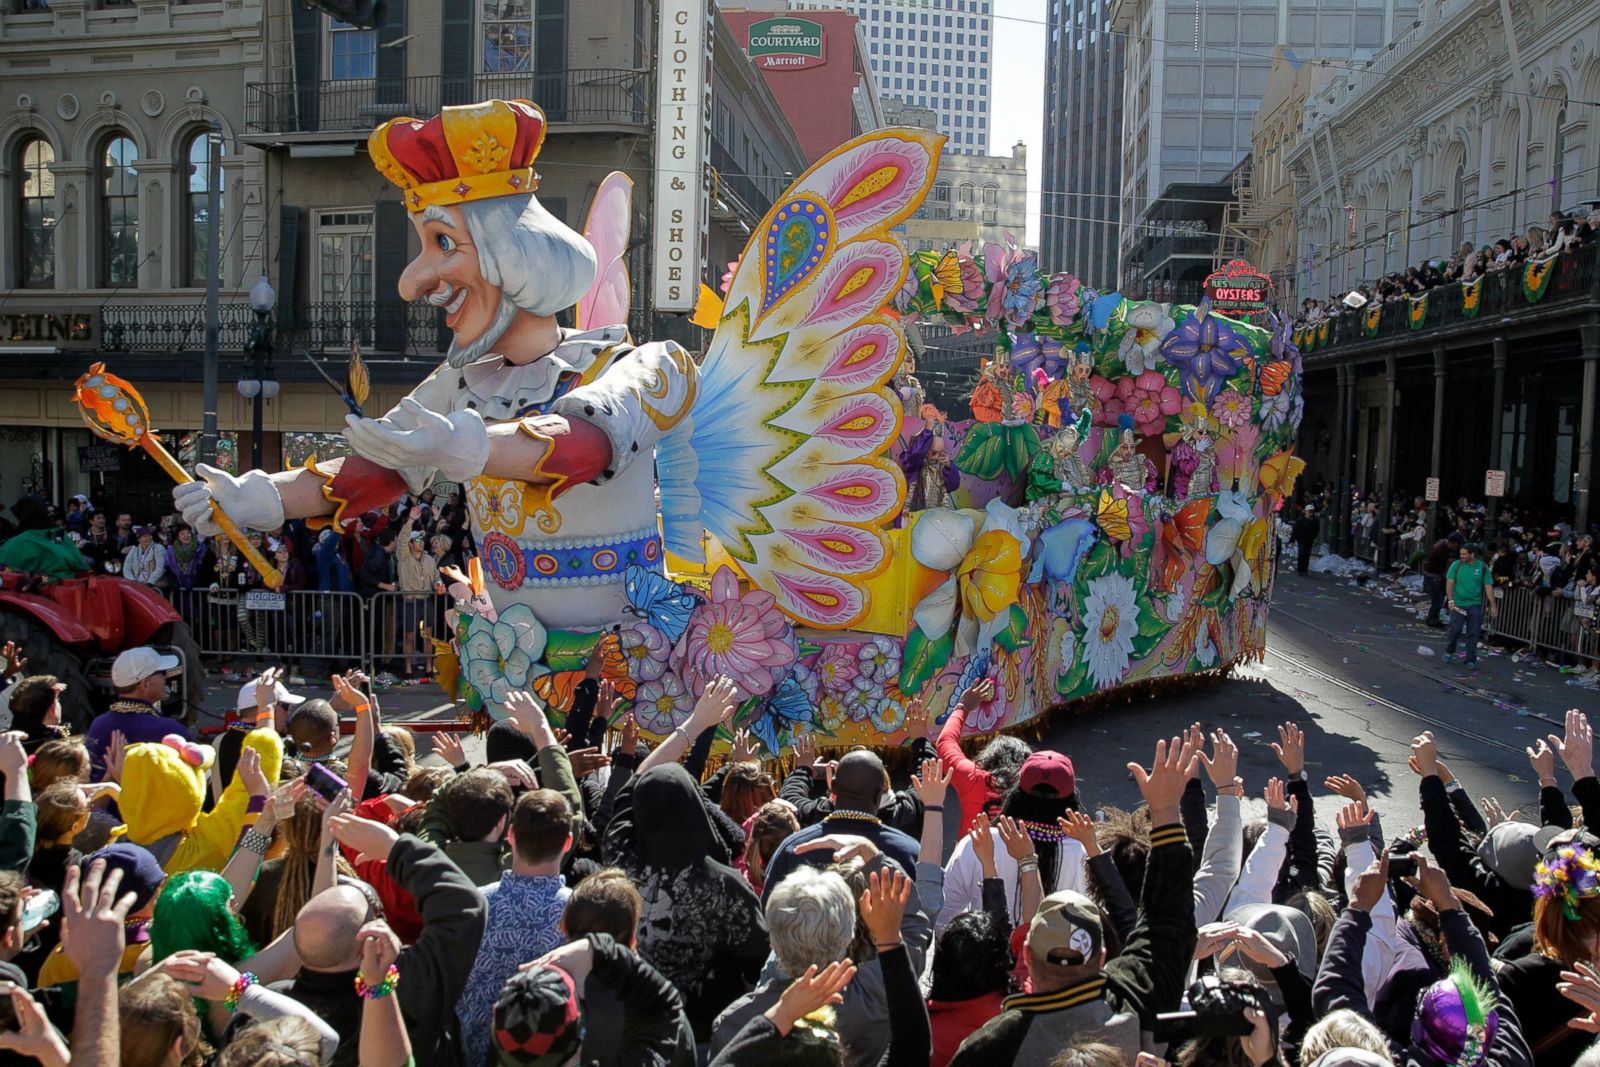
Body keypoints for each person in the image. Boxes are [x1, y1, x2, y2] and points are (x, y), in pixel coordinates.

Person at [948, 736, 1199, 1066]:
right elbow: (1166, 927)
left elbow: (946, 920)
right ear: (1102, 956)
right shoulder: (1133, 999)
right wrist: (1166, 811)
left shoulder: (989, 1044)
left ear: (1026, 954)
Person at [276, 811, 486, 1066]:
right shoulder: (409, 986)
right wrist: (395, 848)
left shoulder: (273, 1011)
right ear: (369, 939)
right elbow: (463, 906)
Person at [457, 788, 574, 1067]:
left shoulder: (474, 903)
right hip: (540, 1057)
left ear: (510, 835)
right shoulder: (577, 914)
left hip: (465, 1054)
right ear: (568, 842)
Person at [762, 749, 922, 900]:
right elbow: (922, 916)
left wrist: (802, 769)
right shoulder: (908, 851)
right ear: (878, 795)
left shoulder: (793, 848)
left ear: (833, 787)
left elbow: (769, 915)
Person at [84, 647, 192, 780]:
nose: (167, 676)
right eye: (162, 672)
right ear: (145, 684)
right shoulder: (169, 730)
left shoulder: (98, 724)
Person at [1443, 542, 1496, 669]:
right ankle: (1449, 651)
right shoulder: (1456, 565)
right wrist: (1450, 600)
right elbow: (1450, 583)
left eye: (1464, 554)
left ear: (1472, 554)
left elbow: (1488, 587)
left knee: (1473, 632)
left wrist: (1493, 605)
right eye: (1461, 553)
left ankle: (1470, 659)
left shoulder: (1482, 567)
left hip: (1475, 604)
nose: (1461, 556)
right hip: (1458, 603)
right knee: (1455, 630)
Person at [1421, 533, 1459, 628]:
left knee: (1438, 598)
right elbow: (1449, 561)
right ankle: (1432, 618)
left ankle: (1433, 617)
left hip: (1435, 576)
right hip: (1435, 577)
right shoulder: (1443, 550)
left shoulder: (1442, 547)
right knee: (1438, 599)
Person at [1293, 506, 1320, 575]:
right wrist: (1293, 538)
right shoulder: (1300, 520)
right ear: (1306, 512)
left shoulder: (1314, 521)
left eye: (1312, 512)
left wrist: (1313, 537)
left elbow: (1317, 530)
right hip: (1301, 540)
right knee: (1302, 554)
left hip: (1309, 540)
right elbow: (1296, 530)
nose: (1311, 513)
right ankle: (1300, 569)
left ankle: (1304, 569)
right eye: (1309, 511)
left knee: (1307, 555)